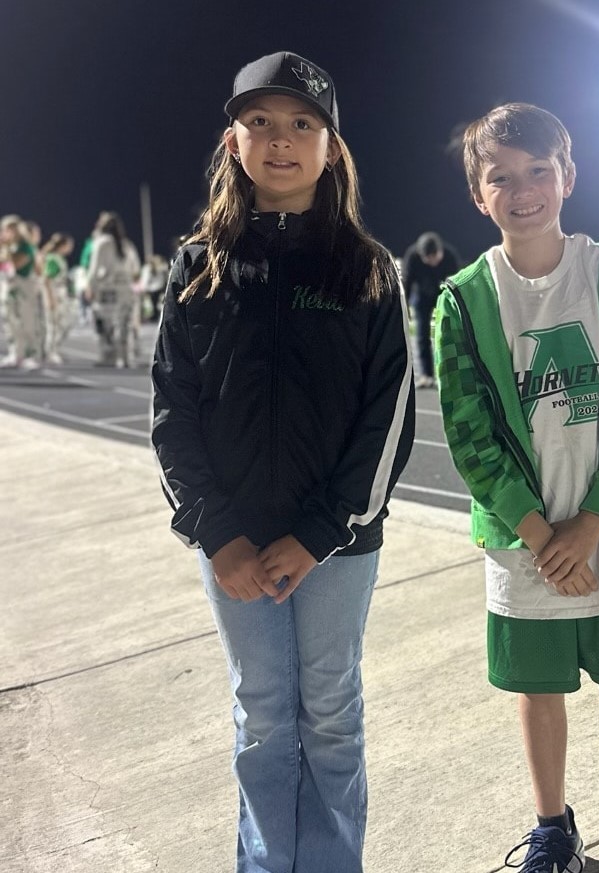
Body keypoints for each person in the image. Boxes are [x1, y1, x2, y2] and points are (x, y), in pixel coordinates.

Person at [151, 50, 415, 873]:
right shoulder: (197, 267)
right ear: (233, 142)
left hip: (333, 548)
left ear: (331, 148)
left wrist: (317, 533)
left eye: (303, 123)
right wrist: (216, 532)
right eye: (259, 121)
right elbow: (170, 415)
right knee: (262, 714)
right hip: (230, 546)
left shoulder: (369, 268)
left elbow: (390, 420)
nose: (281, 140)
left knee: (329, 712)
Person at [434, 103, 599, 873]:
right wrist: (542, 536)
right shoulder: (463, 300)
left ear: (568, 175)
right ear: (479, 194)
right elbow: (468, 435)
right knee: (537, 694)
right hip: (521, 546)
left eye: (539, 170)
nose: (523, 188)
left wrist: (591, 522)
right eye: (500, 176)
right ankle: (551, 826)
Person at [401, 231, 460, 388]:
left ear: (440, 251)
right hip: (421, 295)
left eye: (436, 257)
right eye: (429, 259)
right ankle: (426, 375)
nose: (433, 262)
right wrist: (403, 307)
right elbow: (406, 283)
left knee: (449, 333)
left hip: (443, 294)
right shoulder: (412, 256)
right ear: (421, 256)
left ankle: (450, 373)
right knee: (421, 335)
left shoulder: (449, 256)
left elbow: (457, 285)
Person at [85, 211, 141, 367]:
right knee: (124, 324)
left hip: (107, 290)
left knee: (106, 324)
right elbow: (136, 270)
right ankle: (125, 358)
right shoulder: (127, 245)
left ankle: (109, 356)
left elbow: (94, 269)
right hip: (126, 289)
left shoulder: (101, 243)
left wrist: (90, 287)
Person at [0, 215, 43, 369]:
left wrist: (5, 249)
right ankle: (15, 353)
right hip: (9, 287)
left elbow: (16, 264)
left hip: (24, 287)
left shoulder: (25, 246)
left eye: (7, 230)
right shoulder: (9, 247)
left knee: (27, 321)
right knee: (10, 322)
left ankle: (31, 355)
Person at [41, 232, 77, 364]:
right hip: (55, 294)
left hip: (61, 295)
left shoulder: (59, 258)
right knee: (54, 325)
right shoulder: (53, 259)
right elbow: (47, 279)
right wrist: (51, 298)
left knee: (62, 324)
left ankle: (53, 350)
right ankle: (50, 351)